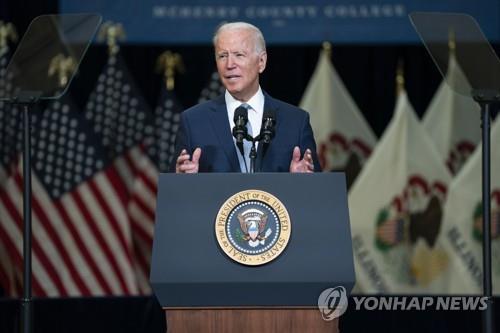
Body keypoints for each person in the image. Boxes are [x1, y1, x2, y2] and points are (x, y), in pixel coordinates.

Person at [171, 22, 320, 173]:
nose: (229, 64)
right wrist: (183, 180)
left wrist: (301, 181)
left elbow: (316, 192)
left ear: (261, 62)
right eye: (222, 56)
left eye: (239, 55)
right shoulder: (193, 122)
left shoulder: (296, 122)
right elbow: (174, 192)